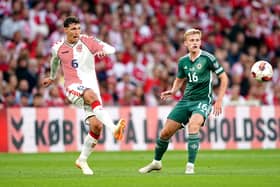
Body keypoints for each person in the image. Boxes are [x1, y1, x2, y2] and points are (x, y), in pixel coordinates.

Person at [42, 16, 126, 175]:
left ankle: (82, 160)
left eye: (78, 28)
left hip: (92, 87)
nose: (77, 32)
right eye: (73, 29)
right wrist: (52, 77)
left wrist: (102, 51)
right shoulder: (58, 47)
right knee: (91, 96)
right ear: (65, 30)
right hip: (73, 86)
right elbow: (54, 62)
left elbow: (112, 49)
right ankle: (114, 128)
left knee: (96, 125)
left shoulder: (88, 41)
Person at [138, 28, 228, 174]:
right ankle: (156, 162)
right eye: (192, 40)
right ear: (186, 43)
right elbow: (180, 78)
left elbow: (224, 78)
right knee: (165, 133)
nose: (195, 43)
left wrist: (219, 100)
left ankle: (190, 166)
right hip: (185, 100)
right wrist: (173, 90)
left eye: (197, 40)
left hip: (202, 101)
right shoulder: (183, 61)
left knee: (193, 126)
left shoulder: (208, 58)